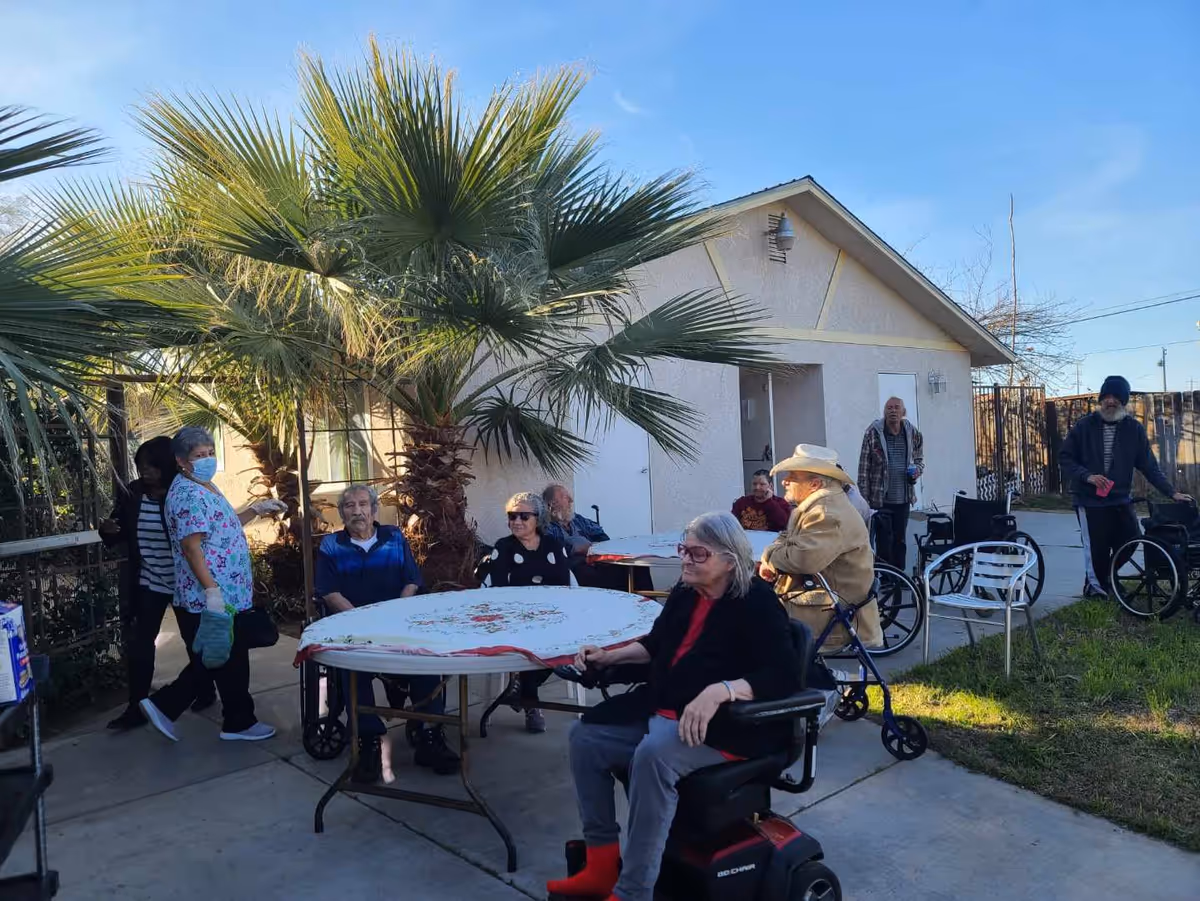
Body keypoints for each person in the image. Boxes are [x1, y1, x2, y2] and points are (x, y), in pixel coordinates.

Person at [546, 512, 802, 901]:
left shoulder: (757, 603)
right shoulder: (686, 592)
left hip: (730, 726)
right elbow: (655, 644)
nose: (686, 560)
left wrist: (722, 691)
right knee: (586, 737)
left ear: (729, 560)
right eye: (685, 550)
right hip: (666, 709)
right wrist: (608, 656)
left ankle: (633, 891)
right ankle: (600, 864)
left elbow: (783, 676)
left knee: (654, 756)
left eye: (698, 554)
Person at [139, 427, 284, 743]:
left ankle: (236, 721)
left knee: (226, 657)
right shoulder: (188, 494)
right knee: (218, 657)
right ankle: (173, 706)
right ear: (181, 460)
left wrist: (256, 510)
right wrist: (212, 591)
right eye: (198, 456)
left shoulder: (203, 484)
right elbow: (192, 547)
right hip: (211, 596)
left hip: (228, 591)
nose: (207, 460)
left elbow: (221, 524)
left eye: (209, 453)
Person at [316, 485, 460, 780]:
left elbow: (411, 581)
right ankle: (368, 740)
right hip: (353, 625)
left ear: (373, 509)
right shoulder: (332, 545)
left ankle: (429, 733)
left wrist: (394, 616)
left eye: (362, 505)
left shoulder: (393, 537)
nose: (356, 511)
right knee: (353, 666)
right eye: (349, 506)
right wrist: (363, 620)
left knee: (428, 660)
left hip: (397, 623)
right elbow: (330, 593)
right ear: (342, 513)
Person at [100, 437, 215, 730]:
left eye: (151, 467)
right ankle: (136, 707)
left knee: (195, 643)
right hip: (150, 581)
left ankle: (203, 691)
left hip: (184, 582)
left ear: (166, 465)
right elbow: (118, 529)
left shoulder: (182, 493)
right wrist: (108, 530)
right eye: (141, 467)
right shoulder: (133, 493)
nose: (145, 472)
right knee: (140, 646)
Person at [1059, 375, 1192, 596]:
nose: (1111, 402)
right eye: (1107, 397)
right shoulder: (1084, 426)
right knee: (1097, 549)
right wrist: (1087, 476)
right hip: (1089, 500)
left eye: (1116, 398)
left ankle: (1107, 578)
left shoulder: (1134, 430)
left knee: (1130, 541)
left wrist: (1172, 492)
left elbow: (1149, 467)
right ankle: (1095, 588)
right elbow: (1065, 458)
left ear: (1124, 401)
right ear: (1101, 400)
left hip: (1120, 498)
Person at [760, 444, 881, 650]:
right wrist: (774, 555)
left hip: (827, 613)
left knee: (744, 623)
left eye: (793, 476)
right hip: (819, 602)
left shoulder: (826, 513)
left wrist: (770, 557)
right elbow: (785, 539)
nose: (784, 481)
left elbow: (803, 559)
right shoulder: (819, 507)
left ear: (815, 484)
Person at [487, 491, 571, 733]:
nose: (517, 521)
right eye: (512, 516)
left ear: (538, 518)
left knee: (562, 640)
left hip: (552, 614)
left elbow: (564, 585)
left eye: (524, 516)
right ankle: (531, 703)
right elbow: (499, 590)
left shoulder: (554, 545)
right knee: (534, 638)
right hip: (514, 616)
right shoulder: (503, 547)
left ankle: (522, 690)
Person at [857, 397, 924, 569]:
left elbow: (919, 460)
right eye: (889, 408)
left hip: (903, 498)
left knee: (900, 540)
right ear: (884, 412)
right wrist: (865, 500)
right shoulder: (873, 433)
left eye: (896, 408)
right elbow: (863, 468)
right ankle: (887, 579)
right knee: (883, 541)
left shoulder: (912, 433)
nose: (892, 411)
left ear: (903, 412)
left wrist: (917, 469)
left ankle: (899, 577)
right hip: (880, 499)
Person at [543, 483, 611, 586]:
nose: (571, 500)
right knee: (594, 576)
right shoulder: (546, 526)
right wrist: (575, 548)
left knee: (621, 569)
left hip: (594, 560)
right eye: (565, 497)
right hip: (574, 568)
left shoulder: (577, 519)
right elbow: (552, 550)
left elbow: (602, 535)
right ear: (552, 504)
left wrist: (594, 548)